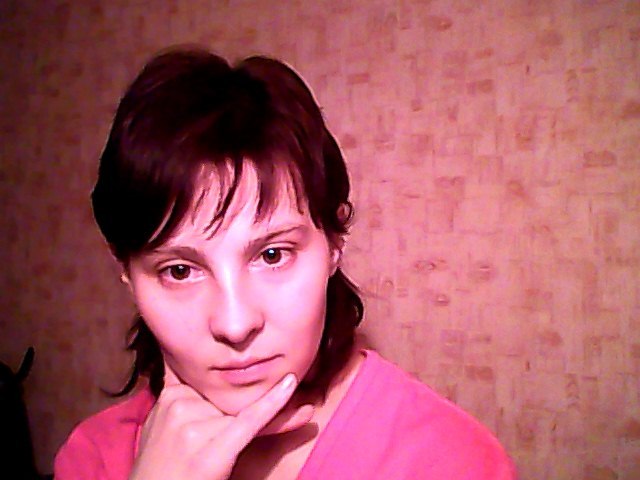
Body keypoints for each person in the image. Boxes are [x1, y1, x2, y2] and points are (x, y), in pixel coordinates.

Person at [54, 47, 516, 480]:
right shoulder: (94, 458)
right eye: (180, 271)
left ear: (334, 241)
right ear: (126, 272)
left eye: (272, 255)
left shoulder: (449, 460)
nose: (235, 325)